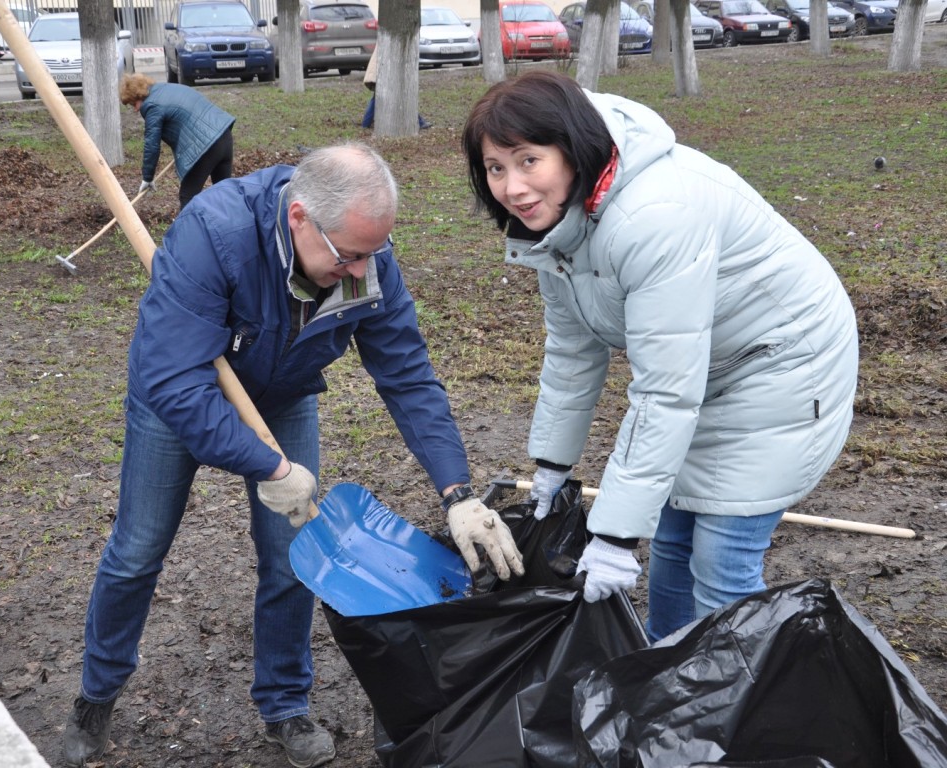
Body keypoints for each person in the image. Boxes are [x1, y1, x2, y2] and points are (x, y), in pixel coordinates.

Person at [62, 142, 524, 768]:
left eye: (374, 253)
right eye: (351, 255)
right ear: (300, 216)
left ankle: (284, 702)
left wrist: (457, 492)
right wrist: (270, 467)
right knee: (138, 550)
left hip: (281, 395)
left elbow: (407, 375)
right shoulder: (215, 232)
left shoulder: (364, 256)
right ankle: (96, 697)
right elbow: (176, 382)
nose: (363, 267)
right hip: (179, 391)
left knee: (291, 559)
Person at [461, 71, 858, 642]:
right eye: (496, 168)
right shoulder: (556, 223)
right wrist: (551, 465)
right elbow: (573, 350)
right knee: (672, 539)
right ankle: (668, 684)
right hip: (706, 371)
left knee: (722, 564)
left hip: (784, 366)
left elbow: (665, 392)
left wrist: (617, 538)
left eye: (528, 160)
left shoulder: (654, 214)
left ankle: (734, 712)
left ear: (572, 148)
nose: (511, 186)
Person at [119, 73, 235, 210]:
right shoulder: (167, 89)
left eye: (134, 103)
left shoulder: (152, 106)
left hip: (204, 147)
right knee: (223, 195)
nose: (135, 109)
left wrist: (147, 177)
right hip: (224, 135)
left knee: (188, 197)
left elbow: (152, 145)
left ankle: (188, 231)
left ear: (139, 96)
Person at [361, 47, 432, 130]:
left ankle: (365, 123)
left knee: (378, 99)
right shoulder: (390, 39)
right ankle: (419, 121)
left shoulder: (385, 38)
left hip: (382, 73)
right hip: (385, 74)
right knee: (401, 98)